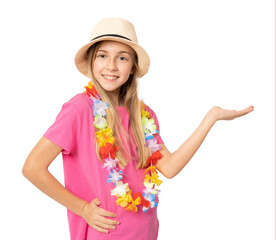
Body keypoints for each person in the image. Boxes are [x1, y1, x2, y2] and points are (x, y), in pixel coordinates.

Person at [22, 18, 254, 240]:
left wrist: (210, 118)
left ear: (132, 67)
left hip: (145, 230)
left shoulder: (143, 115)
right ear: (92, 61)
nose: (111, 66)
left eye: (122, 58)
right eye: (103, 56)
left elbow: (170, 167)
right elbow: (33, 167)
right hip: (104, 234)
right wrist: (83, 209)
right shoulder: (79, 109)